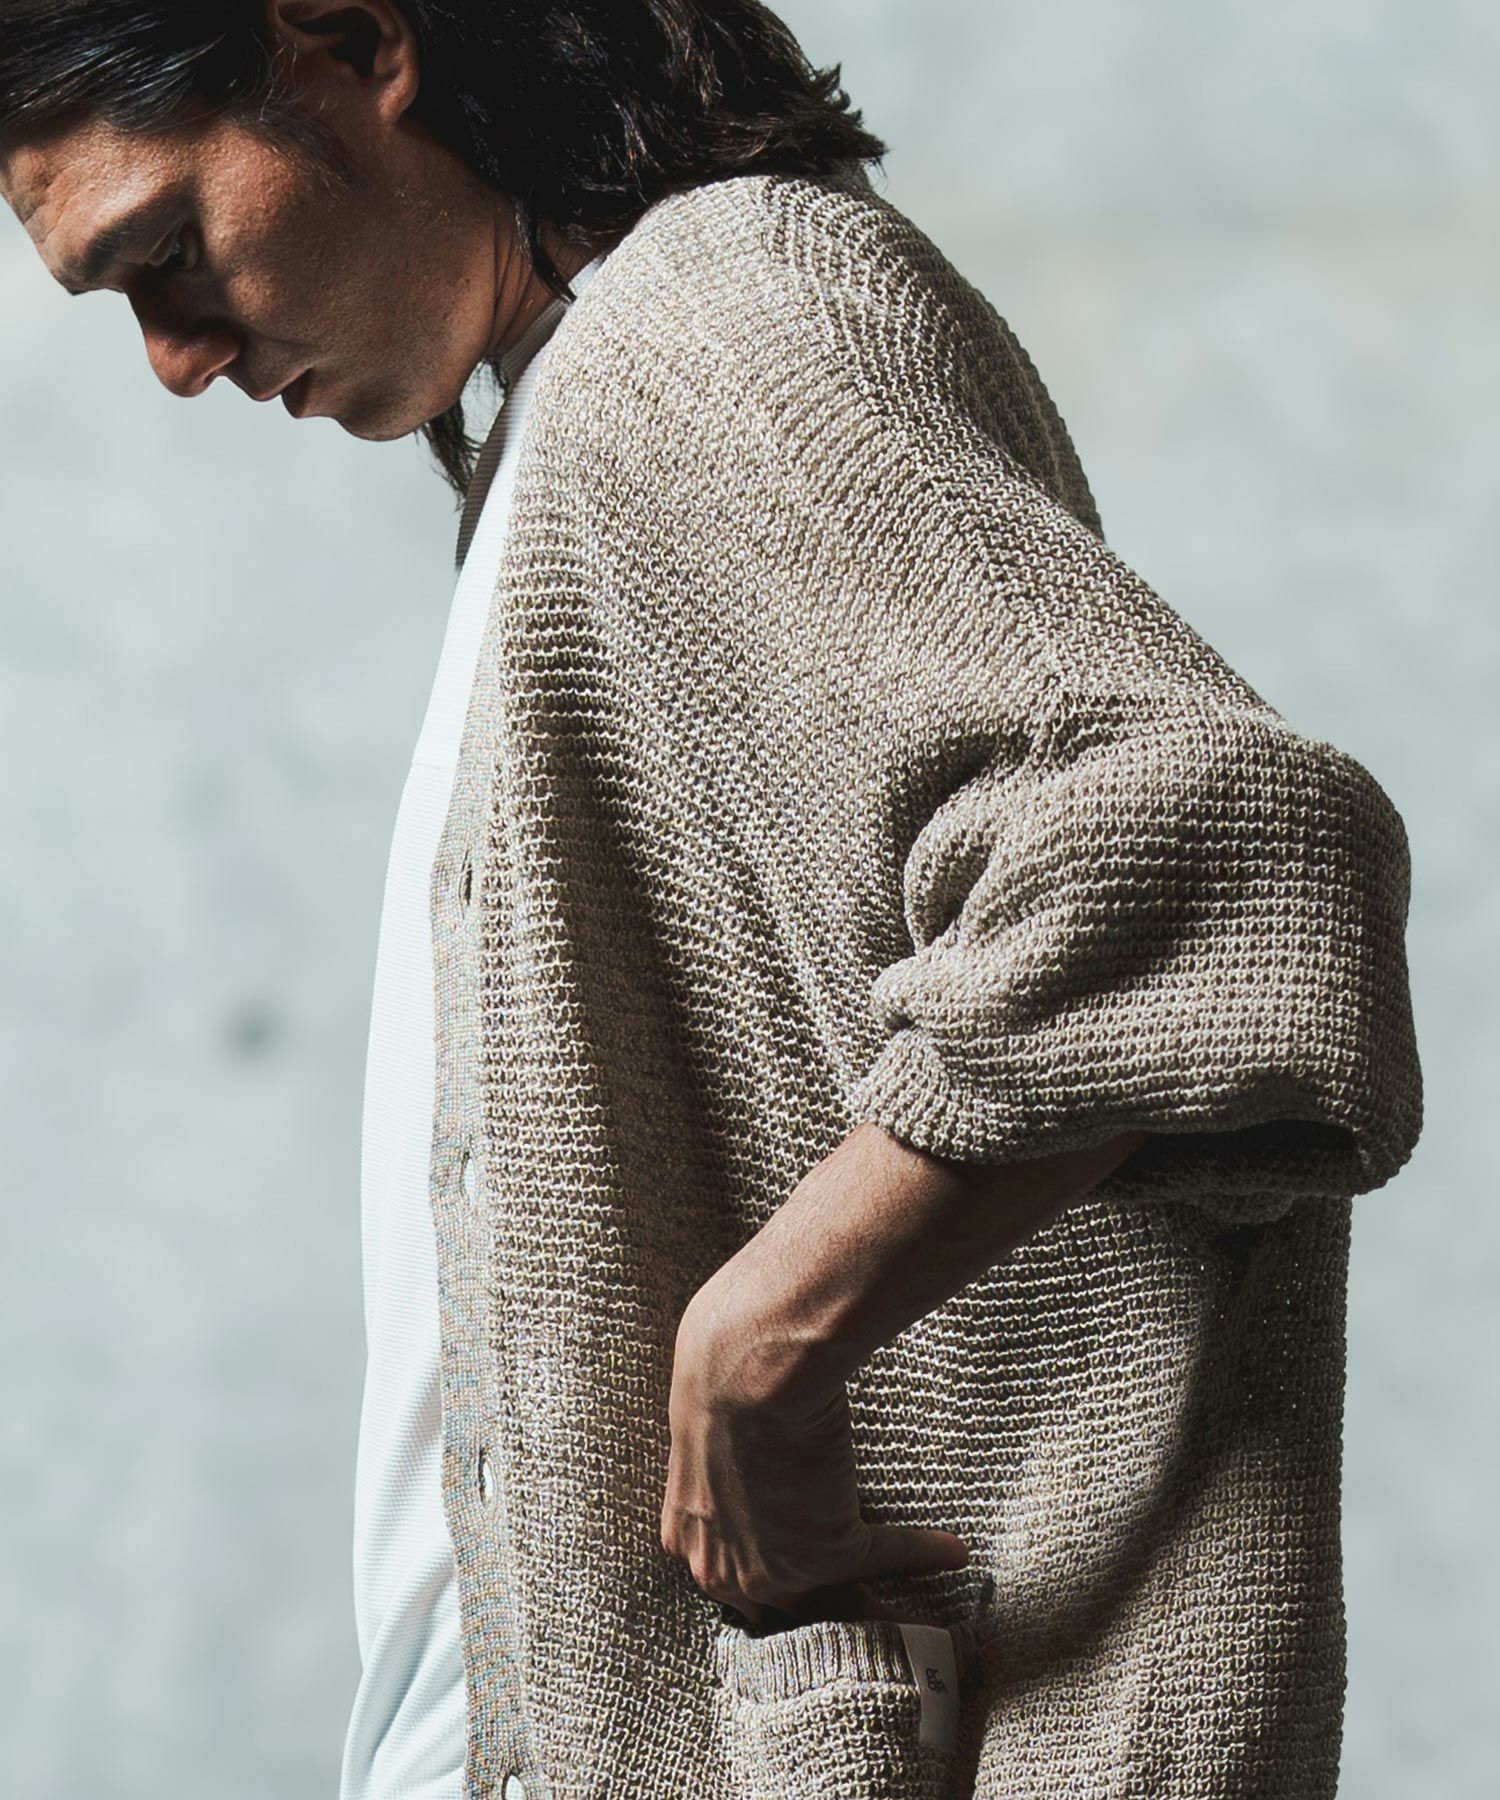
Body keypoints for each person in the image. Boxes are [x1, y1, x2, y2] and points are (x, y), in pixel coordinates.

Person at [0, 3, 1424, 1797]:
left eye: (166, 249)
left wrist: (763, 1341)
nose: (173, 357)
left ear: (354, 45)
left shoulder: (717, 324)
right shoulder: (583, 410)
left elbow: (1233, 858)